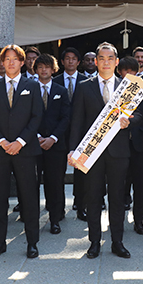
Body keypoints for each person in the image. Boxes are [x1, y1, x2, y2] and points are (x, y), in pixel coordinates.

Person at [68, 42, 140, 259]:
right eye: (102, 58)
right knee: (93, 198)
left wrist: (130, 120)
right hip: (91, 153)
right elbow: (76, 121)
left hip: (118, 152)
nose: (106, 61)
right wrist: (72, 149)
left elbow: (141, 115)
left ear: (117, 62)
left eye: (110, 58)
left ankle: (117, 242)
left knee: (117, 199)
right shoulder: (84, 86)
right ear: (96, 61)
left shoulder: (126, 87)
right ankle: (93, 242)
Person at [0, 45, 43, 259]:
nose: (10, 62)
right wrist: (0, 141)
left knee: (29, 196)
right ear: (0, 62)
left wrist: (19, 141)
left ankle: (32, 242)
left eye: (14, 59)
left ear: (22, 62)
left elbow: (37, 116)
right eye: (6, 59)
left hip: (25, 150)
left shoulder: (32, 85)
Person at [118, 56, 143, 235]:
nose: (129, 74)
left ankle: (139, 219)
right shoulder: (114, 89)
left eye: (132, 71)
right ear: (120, 72)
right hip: (119, 145)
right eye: (125, 71)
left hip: (141, 145)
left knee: (142, 184)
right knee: (119, 183)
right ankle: (117, 219)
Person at [35, 54, 71, 234]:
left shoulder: (61, 90)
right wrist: (38, 136)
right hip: (33, 144)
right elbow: (26, 116)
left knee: (55, 183)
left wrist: (53, 138)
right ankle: (31, 218)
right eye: (40, 67)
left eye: (47, 67)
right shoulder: (31, 89)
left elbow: (66, 118)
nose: (44, 70)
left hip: (56, 145)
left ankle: (55, 219)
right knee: (32, 183)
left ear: (53, 69)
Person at [53, 46, 87, 220]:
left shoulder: (86, 81)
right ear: (62, 61)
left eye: (74, 58)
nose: (71, 61)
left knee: (81, 171)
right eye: (67, 58)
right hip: (59, 132)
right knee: (58, 172)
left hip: (80, 132)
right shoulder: (55, 81)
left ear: (78, 62)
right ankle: (58, 209)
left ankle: (81, 206)